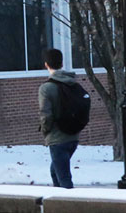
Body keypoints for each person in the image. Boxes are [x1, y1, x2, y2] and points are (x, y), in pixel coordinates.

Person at [38, 48, 82, 188]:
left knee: (64, 178)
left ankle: (70, 205)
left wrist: (46, 131)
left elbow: (45, 114)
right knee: (55, 171)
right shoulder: (73, 83)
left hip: (57, 138)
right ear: (62, 63)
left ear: (46, 64)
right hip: (73, 137)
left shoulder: (47, 88)